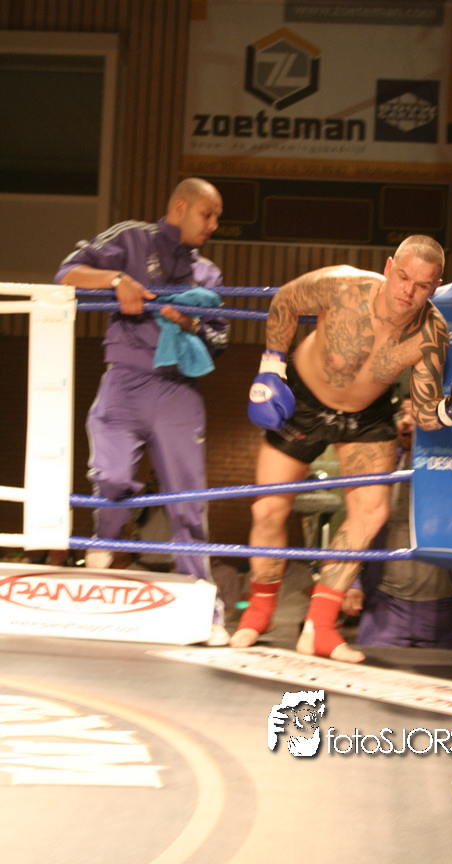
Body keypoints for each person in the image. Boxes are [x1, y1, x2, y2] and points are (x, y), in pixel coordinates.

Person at [230, 234, 452, 663]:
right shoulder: (343, 286)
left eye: (422, 285)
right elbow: (285, 301)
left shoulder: (432, 332)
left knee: (371, 512)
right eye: (403, 277)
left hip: (366, 415)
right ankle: (257, 615)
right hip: (304, 402)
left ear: (435, 287)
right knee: (267, 510)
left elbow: (425, 413)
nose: (408, 291)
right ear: (390, 267)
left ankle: (320, 627)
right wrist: (270, 369)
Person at [54, 177, 231, 646]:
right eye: (208, 214)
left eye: (217, 217)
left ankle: (205, 612)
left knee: (188, 504)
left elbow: (221, 338)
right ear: (180, 206)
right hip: (125, 382)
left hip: (178, 390)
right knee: (111, 479)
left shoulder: (207, 273)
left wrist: (190, 323)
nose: (214, 225)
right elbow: (66, 273)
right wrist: (116, 280)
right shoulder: (131, 237)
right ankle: (104, 542)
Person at [344, 396, 452, 649]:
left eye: (414, 415)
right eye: (401, 414)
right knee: (371, 671)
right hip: (386, 602)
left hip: (443, 606)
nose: (405, 421)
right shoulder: (383, 466)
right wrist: (353, 582)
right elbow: (358, 524)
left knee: (443, 674)